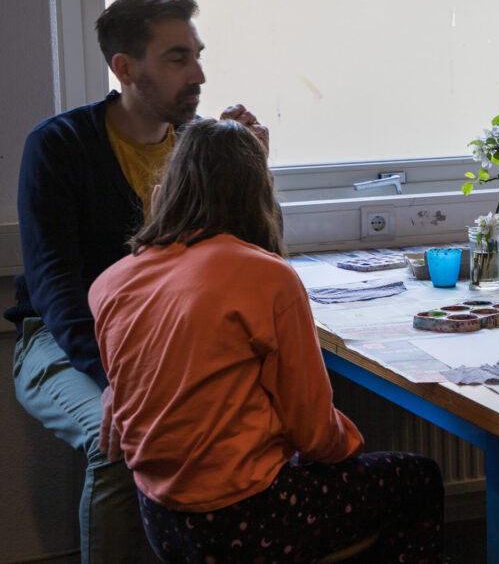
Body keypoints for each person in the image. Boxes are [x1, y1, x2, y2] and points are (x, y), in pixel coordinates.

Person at [88, 118, 444, 562]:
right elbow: (314, 433)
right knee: (417, 478)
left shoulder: (112, 282)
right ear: (257, 192)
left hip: (161, 519)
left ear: (171, 187)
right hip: (244, 518)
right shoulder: (266, 276)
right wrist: (351, 446)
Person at [4, 0, 267, 563]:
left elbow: (244, 264)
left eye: (197, 55)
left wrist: (251, 173)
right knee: (120, 445)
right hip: (62, 341)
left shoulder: (199, 146)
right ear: (125, 68)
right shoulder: (60, 145)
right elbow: (55, 287)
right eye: (178, 58)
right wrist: (116, 382)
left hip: (168, 340)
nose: (199, 74)